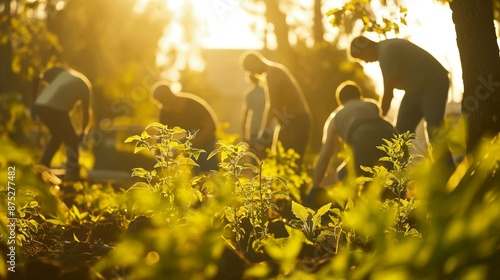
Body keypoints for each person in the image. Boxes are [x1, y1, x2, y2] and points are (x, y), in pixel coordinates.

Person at [349, 36, 455, 168]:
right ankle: (399, 178)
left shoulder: (386, 51)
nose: (365, 62)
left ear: (367, 48)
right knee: (400, 134)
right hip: (413, 91)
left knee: (434, 130)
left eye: (362, 57)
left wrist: (378, 118)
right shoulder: (384, 50)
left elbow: (388, 92)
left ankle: (447, 174)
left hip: (433, 84)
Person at [310, 81, 397, 195]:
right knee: (390, 181)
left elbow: (325, 156)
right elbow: (377, 134)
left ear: (340, 101)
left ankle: (355, 206)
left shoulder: (336, 117)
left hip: (364, 142)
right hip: (392, 136)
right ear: (360, 96)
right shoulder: (372, 104)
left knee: (343, 176)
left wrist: (315, 186)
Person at [241, 51, 312, 160]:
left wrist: (262, 132)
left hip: (296, 121)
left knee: (288, 162)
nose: (253, 74)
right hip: (290, 122)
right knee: (281, 160)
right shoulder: (274, 71)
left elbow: (272, 105)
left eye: (251, 70)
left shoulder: (273, 73)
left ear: (256, 62)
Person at [34, 66, 93, 181]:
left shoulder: (64, 75)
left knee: (57, 137)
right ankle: (73, 176)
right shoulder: (85, 86)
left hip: (41, 107)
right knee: (72, 141)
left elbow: (38, 80)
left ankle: (42, 168)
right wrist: (83, 132)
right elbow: (86, 112)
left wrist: (33, 101)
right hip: (56, 109)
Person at [151, 82, 219, 172]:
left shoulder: (192, 105)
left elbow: (211, 127)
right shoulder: (166, 111)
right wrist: (159, 159)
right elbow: (161, 135)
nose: (162, 105)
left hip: (206, 137)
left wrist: (193, 143)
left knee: (208, 167)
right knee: (177, 153)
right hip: (190, 139)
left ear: (169, 95)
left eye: (162, 100)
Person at [240, 72, 266, 155]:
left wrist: (243, 134)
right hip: (268, 129)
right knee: (267, 159)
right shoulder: (266, 92)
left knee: (254, 158)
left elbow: (246, 115)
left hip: (254, 129)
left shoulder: (249, 94)